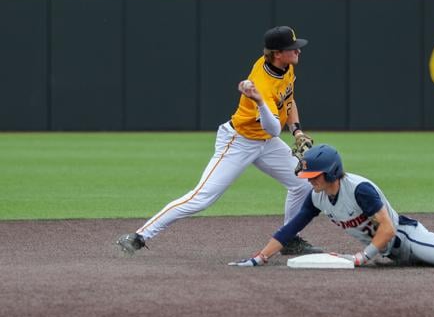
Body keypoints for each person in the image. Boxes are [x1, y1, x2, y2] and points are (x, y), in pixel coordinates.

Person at [117, 26, 321, 256]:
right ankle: (140, 235)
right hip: (239, 141)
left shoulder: (285, 68)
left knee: (302, 183)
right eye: (292, 48)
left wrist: (297, 132)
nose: (298, 51)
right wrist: (260, 102)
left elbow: (289, 100)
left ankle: (288, 238)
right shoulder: (261, 83)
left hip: (265, 142)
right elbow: (273, 129)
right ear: (277, 53)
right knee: (201, 198)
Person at [228, 144, 434, 270]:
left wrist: (363, 258)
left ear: (330, 173)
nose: (309, 180)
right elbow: (290, 230)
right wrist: (261, 257)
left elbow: (387, 228)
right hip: (393, 252)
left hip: (405, 237)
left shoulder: (360, 189)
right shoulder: (316, 196)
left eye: (314, 175)